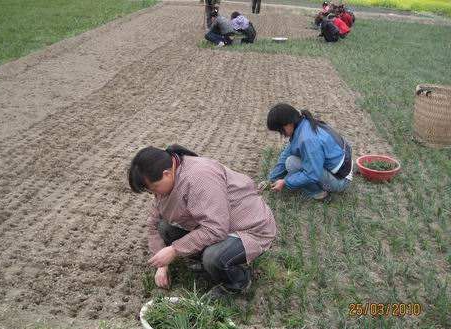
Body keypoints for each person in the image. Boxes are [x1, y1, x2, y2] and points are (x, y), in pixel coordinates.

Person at [128, 144, 276, 298]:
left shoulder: (199, 178)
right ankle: (205, 261)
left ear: (166, 174)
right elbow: (153, 223)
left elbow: (216, 229)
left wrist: (174, 250)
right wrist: (162, 264)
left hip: (248, 227)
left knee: (213, 258)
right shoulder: (170, 177)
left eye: (154, 188)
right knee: (164, 227)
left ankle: (237, 283)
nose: (154, 194)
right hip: (218, 223)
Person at [261, 103, 353, 201]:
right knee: (290, 159)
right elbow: (286, 154)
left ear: (288, 124)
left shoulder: (308, 139)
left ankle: (319, 194)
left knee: (292, 163)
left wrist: (285, 182)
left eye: (280, 130)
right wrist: (271, 179)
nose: (281, 134)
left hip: (341, 181)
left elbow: (312, 174)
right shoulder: (303, 123)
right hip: (342, 169)